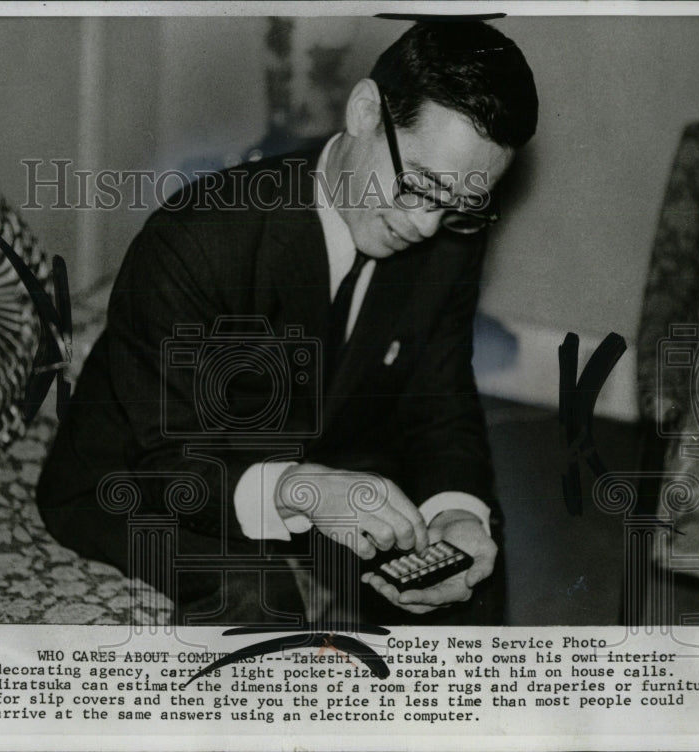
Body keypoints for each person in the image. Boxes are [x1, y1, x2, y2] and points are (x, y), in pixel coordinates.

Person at [37, 20, 538, 626]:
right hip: (149, 473)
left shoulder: (451, 236)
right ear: (363, 111)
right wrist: (300, 491)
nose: (427, 226)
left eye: (459, 207)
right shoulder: (198, 236)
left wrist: (459, 509)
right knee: (255, 594)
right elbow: (163, 460)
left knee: (460, 570)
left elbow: (440, 394)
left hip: (329, 445)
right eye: (420, 186)